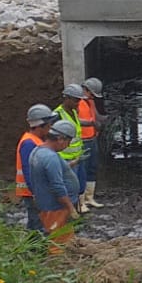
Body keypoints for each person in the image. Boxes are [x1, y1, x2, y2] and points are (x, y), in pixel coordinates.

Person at [28, 120, 80, 247]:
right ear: (60, 139)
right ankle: (59, 263)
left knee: (61, 238)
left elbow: (44, 176)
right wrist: (70, 207)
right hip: (56, 208)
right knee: (60, 242)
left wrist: (68, 166)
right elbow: (57, 186)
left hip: (47, 204)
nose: (67, 146)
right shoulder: (50, 158)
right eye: (68, 142)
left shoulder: (38, 151)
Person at [15, 104, 55, 230]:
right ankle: (38, 248)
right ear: (40, 126)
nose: (50, 128)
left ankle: (32, 247)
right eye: (49, 125)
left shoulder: (35, 140)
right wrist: (36, 193)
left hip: (34, 190)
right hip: (32, 191)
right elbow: (29, 170)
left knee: (35, 222)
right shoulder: (29, 143)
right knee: (38, 222)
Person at [54, 84, 87, 210]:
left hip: (77, 157)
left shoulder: (73, 112)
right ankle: (69, 216)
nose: (78, 103)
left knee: (78, 187)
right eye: (76, 100)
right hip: (66, 160)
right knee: (70, 189)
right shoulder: (57, 115)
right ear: (67, 98)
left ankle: (76, 211)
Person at [77, 77, 106, 210]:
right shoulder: (77, 102)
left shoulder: (90, 102)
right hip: (82, 140)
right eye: (91, 94)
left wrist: (103, 120)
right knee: (82, 170)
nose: (92, 97)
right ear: (86, 90)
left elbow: (96, 116)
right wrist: (92, 123)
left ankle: (90, 197)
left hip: (92, 138)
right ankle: (81, 201)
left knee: (92, 168)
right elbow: (79, 121)